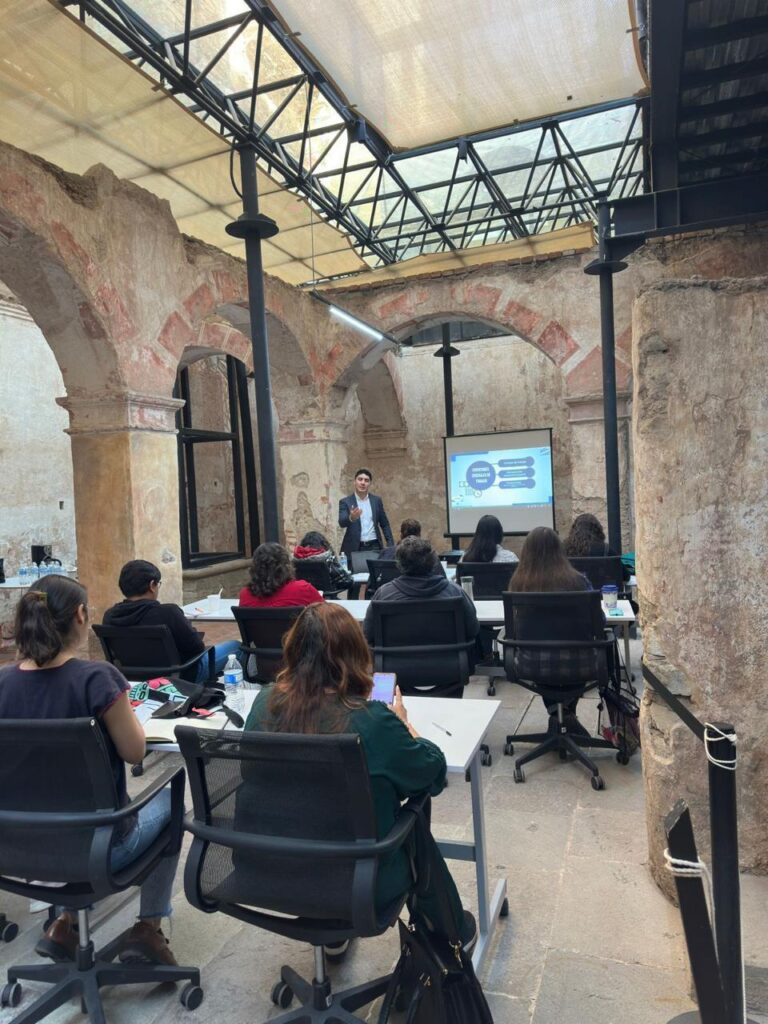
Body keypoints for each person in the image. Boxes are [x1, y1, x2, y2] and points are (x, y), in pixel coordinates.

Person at [243, 602, 476, 954]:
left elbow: (251, 773)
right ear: (355, 655)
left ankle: (334, 933)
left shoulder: (264, 703)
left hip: (269, 871)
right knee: (412, 821)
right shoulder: (371, 721)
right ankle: (451, 932)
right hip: (360, 881)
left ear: (293, 650)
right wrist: (404, 727)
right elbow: (433, 774)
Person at [0, 575, 179, 966]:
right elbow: (134, 752)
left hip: (14, 849)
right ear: (80, 615)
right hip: (100, 848)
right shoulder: (97, 679)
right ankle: (148, 928)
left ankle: (64, 923)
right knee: (171, 801)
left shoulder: (2, 684)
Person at [509, 526, 594, 730]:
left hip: (532, 663)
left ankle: (557, 713)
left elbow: (515, 625)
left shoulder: (518, 584)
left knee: (545, 663)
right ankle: (566, 713)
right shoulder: (579, 582)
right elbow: (597, 620)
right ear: (559, 550)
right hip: (580, 662)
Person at [102, 559, 240, 683]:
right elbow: (197, 648)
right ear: (152, 585)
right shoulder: (168, 613)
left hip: (133, 678)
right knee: (236, 646)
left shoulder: (110, 616)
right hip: (180, 676)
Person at [363, 537, 478, 649]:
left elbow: (368, 633)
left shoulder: (383, 594)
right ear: (433, 562)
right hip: (449, 660)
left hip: (394, 660)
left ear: (399, 563)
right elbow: (473, 629)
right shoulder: (455, 592)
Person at [239, 542, 324, 607]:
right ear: (286, 565)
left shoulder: (245, 595)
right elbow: (327, 615)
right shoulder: (303, 589)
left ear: (254, 567)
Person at [338, 467, 394, 557]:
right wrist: (351, 518)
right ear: (355, 482)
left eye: (366, 480)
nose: (363, 483)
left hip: (374, 545)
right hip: (355, 546)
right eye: (360, 479)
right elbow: (341, 522)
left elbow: (385, 524)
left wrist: (390, 544)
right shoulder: (345, 502)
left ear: (369, 484)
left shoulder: (376, 501)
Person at [563, 513, 631, 582]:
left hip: (570, 588)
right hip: (598, 588)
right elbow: (625, 576)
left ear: (574, 530)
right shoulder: (605, 550)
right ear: (597, 530)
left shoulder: (563, 548)